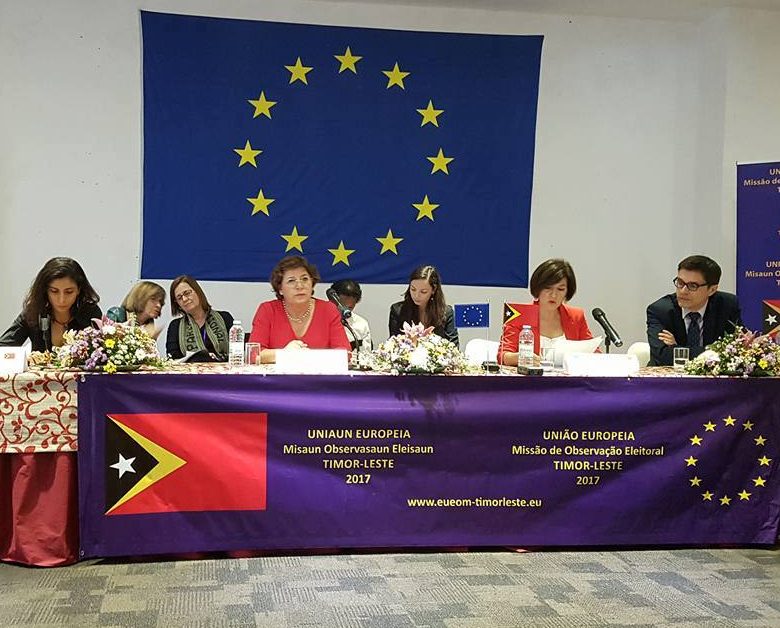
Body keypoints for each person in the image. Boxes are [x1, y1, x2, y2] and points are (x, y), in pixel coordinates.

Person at [248, 256, 350, 363]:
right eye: (291, 281)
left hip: (318, 373)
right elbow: (253, 354)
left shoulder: (328, 310)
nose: (300, 286)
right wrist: (284, 354)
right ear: (280, 289)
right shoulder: (267, 310)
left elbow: (345, 353)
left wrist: (308, 356)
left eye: (304, 279)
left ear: (312, 284)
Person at [646, 255, 742, 366]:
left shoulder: (727, 306)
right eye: (680, 283)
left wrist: (678, 348)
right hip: (667, 376)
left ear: (712, 290)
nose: (683, 291)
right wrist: (713, 351)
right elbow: (663, 356)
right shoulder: (660, 310)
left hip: (711, 375)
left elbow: (735, 351)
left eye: (692, 286)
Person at [498, 259, 594, 366]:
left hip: (568, 376)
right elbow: (503, 356)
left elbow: (594, 351)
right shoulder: (519, 314)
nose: (553, 295)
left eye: (560, 289)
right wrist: (521, 357)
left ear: (567, 291)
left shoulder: (576, 316)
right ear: (538, 288)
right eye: (548, 288)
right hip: (532, 375)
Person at [0, 257, 101, 352]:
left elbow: (103, 351)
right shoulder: (34, 312)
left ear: (79, 290)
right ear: (45, 290)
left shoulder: (90, 313)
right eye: (54, 291)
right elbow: (3, 347)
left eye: (69, 292)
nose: (61, 300)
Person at [388, 265, 459, 347]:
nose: (416, 295)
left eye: (423, 292)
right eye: (413, 289)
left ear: (433, 290)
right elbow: (394, 343)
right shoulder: (397, 310)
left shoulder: (446, 312)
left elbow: (453, 345)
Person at [166, 275, 233, 361]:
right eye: (179, 298)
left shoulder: (225, 318)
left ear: (198, 292)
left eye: (187, 293)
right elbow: (172, 358)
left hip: (224, 368)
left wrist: (214, 359)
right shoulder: (175, 326)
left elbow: (237, 352)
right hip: (190, 369)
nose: (184, 299)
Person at [328, 279, 373, 357]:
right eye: (343, 306)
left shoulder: (361, 324)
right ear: (333, 299)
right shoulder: (319, 320)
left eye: (350, 308)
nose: (345, 311)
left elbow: (366, 354)